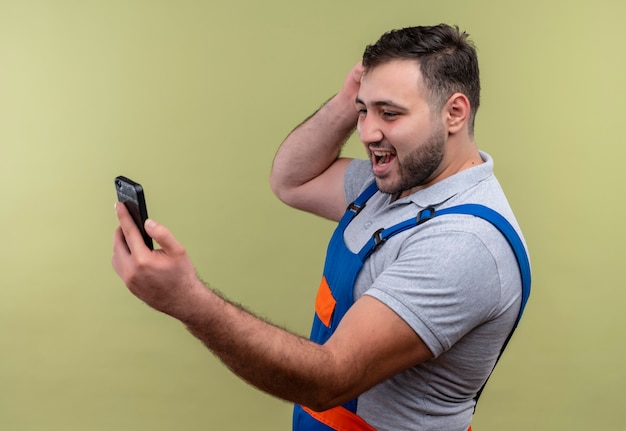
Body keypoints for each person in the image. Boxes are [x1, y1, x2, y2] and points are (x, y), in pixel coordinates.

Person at [112, 24, 530, 431]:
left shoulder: (463, 244)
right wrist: (350, 98)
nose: (367, 133)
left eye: (390, 113)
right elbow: (291, 180)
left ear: (454, 113)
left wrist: (189, 301)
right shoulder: (392, 182)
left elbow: (331, 378)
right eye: (364, 111)